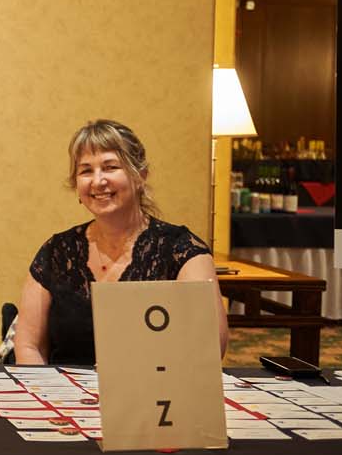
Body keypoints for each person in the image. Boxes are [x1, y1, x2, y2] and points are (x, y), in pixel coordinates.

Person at [14, 120, 228, 366]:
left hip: (152, 398)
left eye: (110, 167)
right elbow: (28, 346)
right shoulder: (57, 251)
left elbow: (208, 345)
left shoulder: (182, 249)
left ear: (140, 176)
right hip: (63, 398)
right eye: (86, 171)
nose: (97, 181)